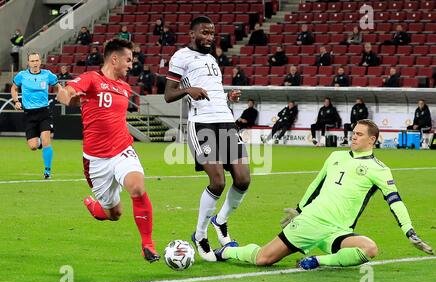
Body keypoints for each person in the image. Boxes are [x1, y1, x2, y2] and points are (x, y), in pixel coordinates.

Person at [213, 119, 434, 269]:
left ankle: (317, 261)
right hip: (312, 221)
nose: (353, 137)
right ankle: (228, 251)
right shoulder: (336, 156)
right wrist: (298, 210)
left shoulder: (380, 170)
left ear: (372, 140)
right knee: (263, 259)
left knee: (369, 248)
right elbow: (315, 185)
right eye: (353, 133)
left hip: (338, 231)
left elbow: (395, 202)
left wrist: (409, 231)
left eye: (359, 134)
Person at [56, 38, 160, 262]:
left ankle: (148, 244)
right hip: (95, 160)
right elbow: (68, 93)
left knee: (137, 187)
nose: (131, 65)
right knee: (114, 214)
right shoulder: (92, 79)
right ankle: (94, 206)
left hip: (123, 149)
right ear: (115, 59)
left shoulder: (125, 87)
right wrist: (65, 95)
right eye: (128, 60)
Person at [164, 16, 248, 262]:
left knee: (243, 179)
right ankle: (200, 235)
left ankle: (220, 221)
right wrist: (188, 90)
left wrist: (227, 96)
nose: (210, 37)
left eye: (212, 33)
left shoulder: (212, 59)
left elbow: (212, 89)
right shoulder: (180, 57)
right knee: (218, 181)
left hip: (225, 119)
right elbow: (169, 94)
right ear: (192, 34)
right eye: (204, 33)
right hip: (201, 123)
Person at [10, 52, 62, 179]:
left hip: (44, 112)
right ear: (28, 63)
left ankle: (47, 171)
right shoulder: (22, 76)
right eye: (32, 61)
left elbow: (58, 86)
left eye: (36, 60)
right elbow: (14, 88)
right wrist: (16, 101)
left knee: (46, 141)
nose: (35, 63)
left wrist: (60, 94)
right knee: (33, 146)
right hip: (29, 114)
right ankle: (40, 144)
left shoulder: (47, 74)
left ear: (40, 62)